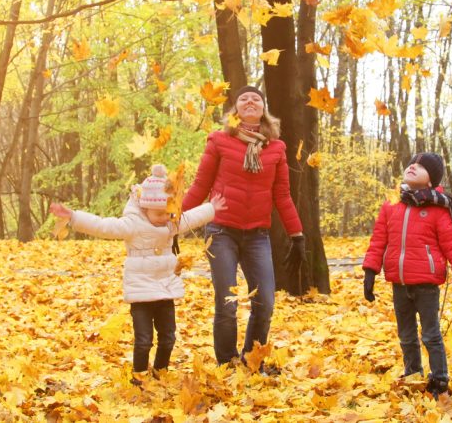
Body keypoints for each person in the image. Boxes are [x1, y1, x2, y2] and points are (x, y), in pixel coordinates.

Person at [50, 164, 226, 386]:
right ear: (145, 208)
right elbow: (103, 226)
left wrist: (212, 208)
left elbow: (190, 218)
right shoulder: (132, 224)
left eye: (168, 213)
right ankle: (139, 377)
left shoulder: (170, 223)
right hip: (141, 293)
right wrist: (74, 217)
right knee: (144, 340)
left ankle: (160, 373)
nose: (164, 218)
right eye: (159, 213)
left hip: (164, 290)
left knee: (168, 337)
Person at [182, 84, 306, 373]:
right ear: (235, 110)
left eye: (256, 98)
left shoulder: (276, 148)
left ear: (263, 109)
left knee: (265, 302)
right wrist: (177, 223)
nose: (250, 101)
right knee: (227, 303)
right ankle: (227, 363)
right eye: (243, 98)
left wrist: (297, 234)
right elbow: (200, 186)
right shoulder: (218, 140)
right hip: (221, 231)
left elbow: (282, 195)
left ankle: (252, 361)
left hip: (257, 235)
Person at [362, 152, 452, 398]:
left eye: (421, 167)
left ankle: (439, 378)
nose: (413, 167)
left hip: (426, 284)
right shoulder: (391, 204)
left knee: (431, 334)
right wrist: (370, 270)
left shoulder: (437, 208)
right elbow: (379, 240)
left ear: (431, 181)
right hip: (399, 284)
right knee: (406, 336)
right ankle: (413, 375)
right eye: (411, 163)